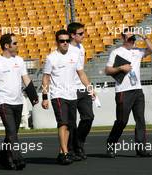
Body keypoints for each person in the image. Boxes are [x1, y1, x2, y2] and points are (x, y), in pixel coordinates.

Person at [0, 33, 38, 170]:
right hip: (4, 102)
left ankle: (3, 155)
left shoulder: (19, 60)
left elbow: (25, 78)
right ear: (7, 46)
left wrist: (34, 96)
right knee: (12, 131)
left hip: (18, 102)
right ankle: (17, 158)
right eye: (15, 43)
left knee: (12, 133)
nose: (17, 45)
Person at [41, 29, 94, 165]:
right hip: (58, 95)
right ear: (57, 42)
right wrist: (45, 97)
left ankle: (61, 152)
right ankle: (65, 152)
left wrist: (90, 88)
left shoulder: (74, 55)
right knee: (63, 123)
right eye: (61, 41)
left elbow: (81, 74)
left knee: (70, 126)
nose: (64, 43)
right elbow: (46, 78)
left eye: (66, 41)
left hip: (72, 95)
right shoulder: (51, 57)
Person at [105, 27, 152, 158]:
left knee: (140, 120)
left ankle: (141, 148)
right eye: (129, 38)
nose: (132, 41)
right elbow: (107, 70)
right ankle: (111, 144)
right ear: (123, 38)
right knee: (122, 121)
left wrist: (143, 36)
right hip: (123, 90)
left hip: (137, 90)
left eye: (133, 38)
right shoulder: (116, 52)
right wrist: (121, 67)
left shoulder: (137, 51)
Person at [67, 22, 94, 160]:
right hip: (69, 90)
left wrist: (90, 87)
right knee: (71, 122)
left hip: (82, 88)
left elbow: (81, 71)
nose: (84, 35)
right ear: (72, 35)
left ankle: (79, 142)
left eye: (84, 33)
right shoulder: (65, 49)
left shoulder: (81, 47)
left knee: (88, 117)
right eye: (80, 33)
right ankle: (71, 150)